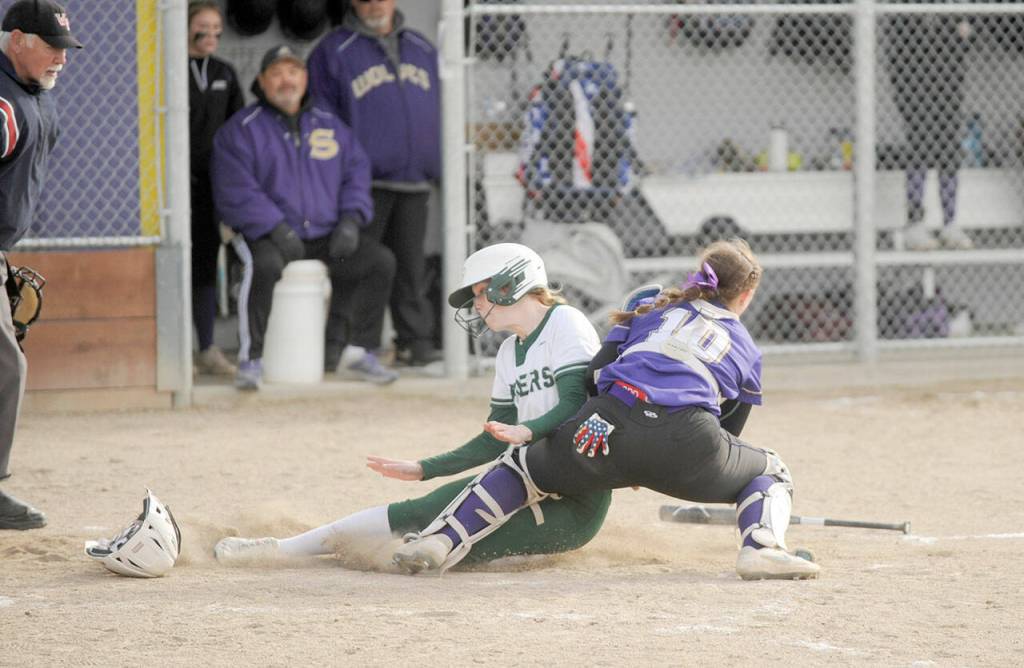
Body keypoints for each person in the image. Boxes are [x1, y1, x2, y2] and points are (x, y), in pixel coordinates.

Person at [394, 239, 822, 581]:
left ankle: (441, 540)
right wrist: (671, 465)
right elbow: (730, 433)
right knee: (772, 470)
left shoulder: (653, 310)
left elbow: (593, 376)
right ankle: (762, 547)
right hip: (688, 442)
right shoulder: (746, 347)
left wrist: (621, 453)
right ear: (745, 295)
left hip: (603, 425)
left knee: (523, 466)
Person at [213, 243, 612, 568]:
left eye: (479, 293)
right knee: (419, 512)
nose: (475, 305)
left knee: (449, 549)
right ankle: (281, 549)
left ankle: (377, 553)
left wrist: (526, 432)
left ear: (509, 285)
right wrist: (424, 468)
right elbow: (494, 440)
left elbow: (577, 403)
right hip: (525, 475)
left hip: (577, 496)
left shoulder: (565, 322)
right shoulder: (510, 351)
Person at [211, 45, 397, 390]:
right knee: (263, 267)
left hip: (324, 233)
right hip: (268, 234)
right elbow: (234, 188)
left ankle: (358, 351)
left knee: (378, 262)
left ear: (305, 78)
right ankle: (251, 360)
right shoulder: (242, 129)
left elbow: (356, 173)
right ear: (262, 81)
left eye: (293, 72)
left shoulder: (331, 125)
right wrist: (275, 227)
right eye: (278, 73)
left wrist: (350, 220)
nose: (287, 81)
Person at [307, 0, 442, 367]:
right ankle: (338, 347)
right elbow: (321, 122)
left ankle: (416, 343)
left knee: (411, 270)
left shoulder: (422, 46)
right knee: (357, 266)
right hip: (362, 185)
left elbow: (439, 108)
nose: (373, 5)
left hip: (415, 181)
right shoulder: (332, 50)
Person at [0, 0, 82, 530]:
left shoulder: (32, 95)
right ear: (15, 40)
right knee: (5, 366)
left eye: (64, 49)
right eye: (49, 47)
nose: (60, 59)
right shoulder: (5, 104)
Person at [885, 11, 975, 251]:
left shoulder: (950, 12)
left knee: (949, 150)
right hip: (914, 83)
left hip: (947, 82)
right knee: (919, 146)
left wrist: (964, 31)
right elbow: (896, 47)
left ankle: (950, 223)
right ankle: (915, 224)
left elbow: (964, 37)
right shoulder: (905, 15)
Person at [187, 0, 244, 377]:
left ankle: (207, 347)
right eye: (202, 28)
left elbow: (239, 129)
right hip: (176, 184)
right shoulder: (170, 67)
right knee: (177, 267)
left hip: (212, 185)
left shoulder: (225, 71)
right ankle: (178, 350)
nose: (211, 35)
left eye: (216, 30)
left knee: (206, 264)